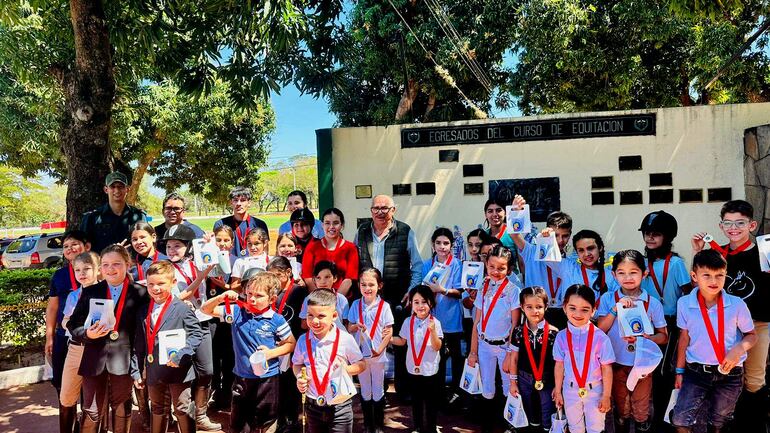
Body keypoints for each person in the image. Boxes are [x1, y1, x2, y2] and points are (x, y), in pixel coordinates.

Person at [692, 199, 770, 430]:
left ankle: (754, 425)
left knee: (754, 380)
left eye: (740, 223)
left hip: (757, 324)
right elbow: (699, 286)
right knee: (726, 377)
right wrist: (698, 253)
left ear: (752, 225)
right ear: (721, 226)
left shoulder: (764, 251)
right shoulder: (718, 255)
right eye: (728, 223)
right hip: (724, 326)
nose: (734, 228)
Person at [671, 249, 758, 433]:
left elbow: (752, 335)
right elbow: (684, 338)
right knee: (680, 420)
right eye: (707, 275)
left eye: (719, 275)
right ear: (694, 276)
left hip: (730, 374)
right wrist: (679, 371)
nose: (714, 281)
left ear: (726, 275)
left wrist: (738, 350)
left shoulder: (737, 304)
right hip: (695, 371)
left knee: (719, 421)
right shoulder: (684, 303)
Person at [66, 244, 150, 433]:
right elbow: (73, 324)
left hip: (124, 360)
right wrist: (87, 334)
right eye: (105, 264)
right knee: (92, 410)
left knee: (121, 407)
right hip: (94, 358)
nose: (110, 269)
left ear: (127, 264)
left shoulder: (140, 293)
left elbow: (142, 333)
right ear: (100, 267)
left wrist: (139, 364)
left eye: (116, 264)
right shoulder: (91, 292)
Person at [202, 272, 297, 433]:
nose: (252, 299)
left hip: (267, 379)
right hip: (242, 378)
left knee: (266, 422)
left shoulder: (276, 319)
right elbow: (205, 310)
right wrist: (221, 297)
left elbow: (291, 344)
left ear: (272, 299)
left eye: (259, 296)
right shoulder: (237, 311)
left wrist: (270, 353)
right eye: (249, 293)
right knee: (239, 423)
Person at [355, 194, 423, 397]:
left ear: (393, 210)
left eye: (385, 208)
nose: (380, 212)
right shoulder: (362, 231)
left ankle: (403, 389)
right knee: (370, 341)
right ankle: (377, 391)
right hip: (370, 300)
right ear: (371, 211)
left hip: (397, 298)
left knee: (399, 343)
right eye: (376, 208)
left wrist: (411, 290)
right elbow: (356, 262)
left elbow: (417, 265)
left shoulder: (405, 231)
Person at [596, 250, 668, 433]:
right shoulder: (607, 299)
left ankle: (642, 424)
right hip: (615, 363)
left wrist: (647, 339)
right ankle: (622, 424)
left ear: (644, 274)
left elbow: (663, 336)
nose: (627, 277)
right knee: (621, 406)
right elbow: (600, 330)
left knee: (641, 406)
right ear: (614, 275)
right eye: (621, 273)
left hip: (642, 365)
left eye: (633, 272)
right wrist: (615, 309)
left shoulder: (652, 303)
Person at [133, 261, 204, 433]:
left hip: (178, 370)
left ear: (173, 283)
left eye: (161, 283)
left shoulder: (183, 308)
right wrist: (136, 371)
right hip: (154, 370)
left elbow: (196, 334)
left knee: (181, 408)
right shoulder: (143, 310)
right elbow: (139, 344)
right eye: (151, 284)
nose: (155, 288)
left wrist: (182, 354)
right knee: (157, 408)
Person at [637, 210, 690, 429]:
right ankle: (643, 416)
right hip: (644, 321)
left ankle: (661, 420)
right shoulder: (641, 263)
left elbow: (687, 293)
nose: (650, 237)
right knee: (644, 370)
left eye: (656, 234)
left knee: (663, 372)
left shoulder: (675, 263)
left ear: (667, 237)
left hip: (669, 323)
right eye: (647, 233)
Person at [293, 289, 367, 433]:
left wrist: (347, 369)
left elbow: (362, 364)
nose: (314, 321)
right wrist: (299, 377)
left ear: (334, 316)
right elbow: (297, 364)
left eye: (321, 316)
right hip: (313, 405)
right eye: (310, 315)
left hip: (340, 406)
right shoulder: (303, 340)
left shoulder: (345, 339)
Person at [467, 245, 521, 433]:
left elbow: (515, 325)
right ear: (486, 265)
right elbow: (477, 321)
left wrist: (510, 353)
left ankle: (509, 425)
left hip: (505, 346)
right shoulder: (483, 286)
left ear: (509, 269)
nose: (496, 272)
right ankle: (487, 425)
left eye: (501, 268)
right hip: (484, 345)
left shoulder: (513, 290)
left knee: (508, 387)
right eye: (492, 267)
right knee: (487, 387)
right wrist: (473, 352)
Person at [552, 284, 615, 433]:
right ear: (564, 308)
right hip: (570, 390)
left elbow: (607, 368)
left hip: (595, 391)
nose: (578, 314)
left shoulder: (601, 338)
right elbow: (559, 365)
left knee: (596, 428)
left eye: (585, 309)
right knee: (575, 427)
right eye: (572, 308)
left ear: (593, 310)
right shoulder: (561, 337)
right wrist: (558, 391)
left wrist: (606, 396)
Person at [509, 195, 573, 329]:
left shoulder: (571, 260)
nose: (560, 240)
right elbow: (514, 235)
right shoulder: (532, 251)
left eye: (565, 236)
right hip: (537, 311)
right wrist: (515, 211)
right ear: (547, 231)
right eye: (555, 235)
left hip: (563, 312)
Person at [347, 268, 394, 433]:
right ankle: (368, 425)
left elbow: (389, 331)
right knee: (365, 388)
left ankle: (379, 425)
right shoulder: (355, 305)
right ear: (359, 286)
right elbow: (349, 327)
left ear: (379, 286)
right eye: (363, 284)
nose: (367, 288)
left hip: (378, 356)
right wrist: (355, 326)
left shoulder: (385, 306)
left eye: (371, 285)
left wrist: (379, 350)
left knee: (378, 389)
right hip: (361, 356)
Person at [420, 227, 463, 406]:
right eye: (438, 243)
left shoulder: (457, 264)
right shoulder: (426, 264)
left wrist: (442, 290)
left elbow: (460, 292)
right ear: (433, 245)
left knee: (456, 356)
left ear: (451, 245)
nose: (442, 247)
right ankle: (437, 394)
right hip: (432, 320)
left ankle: (456, 392)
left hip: (452, 319)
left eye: (446, 243)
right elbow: (422, 291)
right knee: (436, 356)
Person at [391, 285, 443, 433]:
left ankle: (431, 427)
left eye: (424, 302)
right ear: (411, 304)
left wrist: (432, 332)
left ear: (431, 303)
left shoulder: (435, 322)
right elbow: (402, 341)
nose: (420, 306)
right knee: (416, 400)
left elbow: (437, 346)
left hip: (430, 370)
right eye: (416, 302)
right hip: (413, 368)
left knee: (431, 401)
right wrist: (388, 338)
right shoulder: (408, 321)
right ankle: (418, 427)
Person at [45, 230, 91, 397]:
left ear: (87, 246)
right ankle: (67, 413)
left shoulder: (99, 271)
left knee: (90, 383)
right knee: (61, 383)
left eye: (74, 244)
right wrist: (49, 337)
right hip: (64, 334)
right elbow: (52, 307)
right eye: (66, 246)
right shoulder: (60, 275)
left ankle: (89, 414)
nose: (70, 249)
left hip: (90, 334)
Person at [506, 286, 559, 432]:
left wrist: (557, 386)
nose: (534, 311)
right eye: (529, 307)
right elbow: (514, 358)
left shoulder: (554, 333)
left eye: (539, 307)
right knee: (528, 410)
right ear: (522, 307)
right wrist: (513, 382)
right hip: (524, 379)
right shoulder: (518, 332)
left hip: (547, 380)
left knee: (547, 411)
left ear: (546, 307)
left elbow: (559, 363)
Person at [59, 251, 100, 433]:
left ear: (98, 270)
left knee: (95, 402)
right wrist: (80, 330)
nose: (82, 273)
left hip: (98, 351)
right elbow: (65, 321)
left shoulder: (107, 293)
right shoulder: (73, 296)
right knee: (67, 396)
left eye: (87, 269)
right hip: (76, 349)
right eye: (77, 270)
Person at [267, 256, 309, 433]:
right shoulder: (271, 292)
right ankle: (279, 418)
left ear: (288, 272)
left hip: (293, 343)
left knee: (291, 382)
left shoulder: (299, 291)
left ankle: (292, 419)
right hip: (275, 344)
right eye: (271, 275)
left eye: (277, 275)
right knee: (277, 382)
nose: (274, 279)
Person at [544, 229, 618, 305]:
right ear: (577, 253)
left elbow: (619, 301)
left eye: (590, 248)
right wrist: (546, 238)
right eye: (581, 250)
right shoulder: (568, 268)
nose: (586, 254)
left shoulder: (611, 276)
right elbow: (546, 256)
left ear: (600, 248)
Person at [208, 225, 238, 410]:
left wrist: (224, 286)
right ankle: (214, 392)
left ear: (232, 243)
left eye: (226, 240)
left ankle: (227, 393)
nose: (222, 243)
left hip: (229, 316)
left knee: (229, 356)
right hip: (210, 315)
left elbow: (238, 289)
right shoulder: (207, 260)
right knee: (213, 355)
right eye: (218, 240)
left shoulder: (237, 262)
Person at [80, 172, 147, 254]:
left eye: (120, 187)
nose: (117, 190)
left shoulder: (139, 216)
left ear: (127, 189)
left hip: (132, 261)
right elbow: (84, 248)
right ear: (106, 189)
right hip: (102, 261)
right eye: (112, 187)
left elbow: (146, 243)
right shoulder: (92, 218)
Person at [302, 208, 359, 297]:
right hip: (317, 298)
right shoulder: (312, 247)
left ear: (342, 225)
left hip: (342, 298)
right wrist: (320, 299)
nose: (331, 226)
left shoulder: (350, 248)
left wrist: (335, 300)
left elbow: (349, 279)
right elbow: (307, 277)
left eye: (336, 223)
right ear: (322, 225)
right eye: (327, 223)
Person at [214, 186, 269, 257]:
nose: (238, 204)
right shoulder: (221, 224)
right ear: (231, 203)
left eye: (243, 200)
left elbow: (265, 251)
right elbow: (215, 249)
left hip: (252, 263)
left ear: (249, 203)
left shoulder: (259, 224)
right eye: (235, 200)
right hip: (229, 262)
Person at [300, 261, 350, 330]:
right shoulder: (309, 299)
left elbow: (346, 323)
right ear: (314, 280)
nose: (322, 282)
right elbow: (303, 325)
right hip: (316, 334)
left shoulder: (341, 299)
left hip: (337, 334)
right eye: (318, 278)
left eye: (327, 277)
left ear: (335, 278)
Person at [482, 198, 522, 277]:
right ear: (485, 215)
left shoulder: (513, 234)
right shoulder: (483, 235)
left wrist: (524, 280)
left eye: (498, 210)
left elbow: (521, 263)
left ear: (505, 213)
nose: (495, 214)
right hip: (489, 280)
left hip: (510, 279)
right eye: (490, 211)